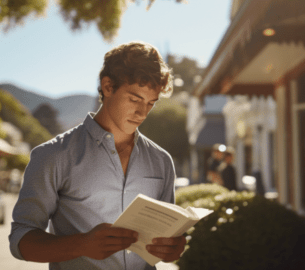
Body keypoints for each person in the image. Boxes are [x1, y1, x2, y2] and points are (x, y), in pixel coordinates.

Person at [9, 41, 186, 270]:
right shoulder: (53, 155)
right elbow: (20, 239)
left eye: (150, 103)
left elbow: (166, 240)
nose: (142, 113)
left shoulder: (162, 161)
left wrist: (173, 248)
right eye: (134, 99)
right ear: (108, 87)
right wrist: (81, 245)